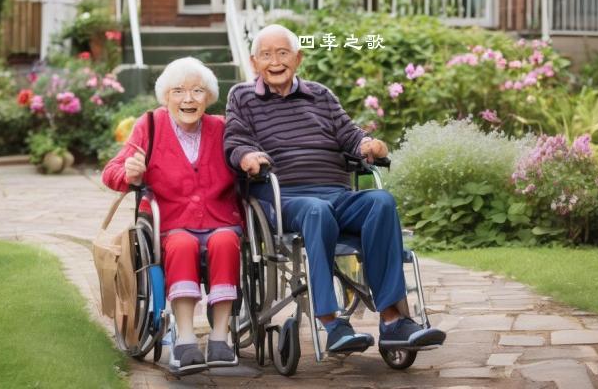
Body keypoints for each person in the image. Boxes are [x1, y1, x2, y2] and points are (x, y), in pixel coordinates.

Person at [224, 24, 445, 354]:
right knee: (317, 209)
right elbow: (235, 140)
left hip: (334, 192)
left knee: (381, 202)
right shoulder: (242, 97)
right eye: (266, 55)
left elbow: (350, 136)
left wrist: (369, 144)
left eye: (283, 53)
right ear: (255, 63)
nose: (275, 61)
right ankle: (332, 322)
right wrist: (246, 156)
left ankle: (392, 321)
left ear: (297, 58)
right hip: (284, 198)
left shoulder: (320, 94)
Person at [102, 57, 242, 373]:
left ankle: (221, 337)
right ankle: (186, 340)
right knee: (182, 245)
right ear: (166, 97)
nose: (188, 99)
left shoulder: (221, 128)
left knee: (225, 241)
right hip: (170, 225)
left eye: (197, 91)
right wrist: (130, 172)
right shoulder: (149, 126)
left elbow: (245, 161)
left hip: (220, 220)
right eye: (178, 91)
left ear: (209, 97)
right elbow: (111, 172)